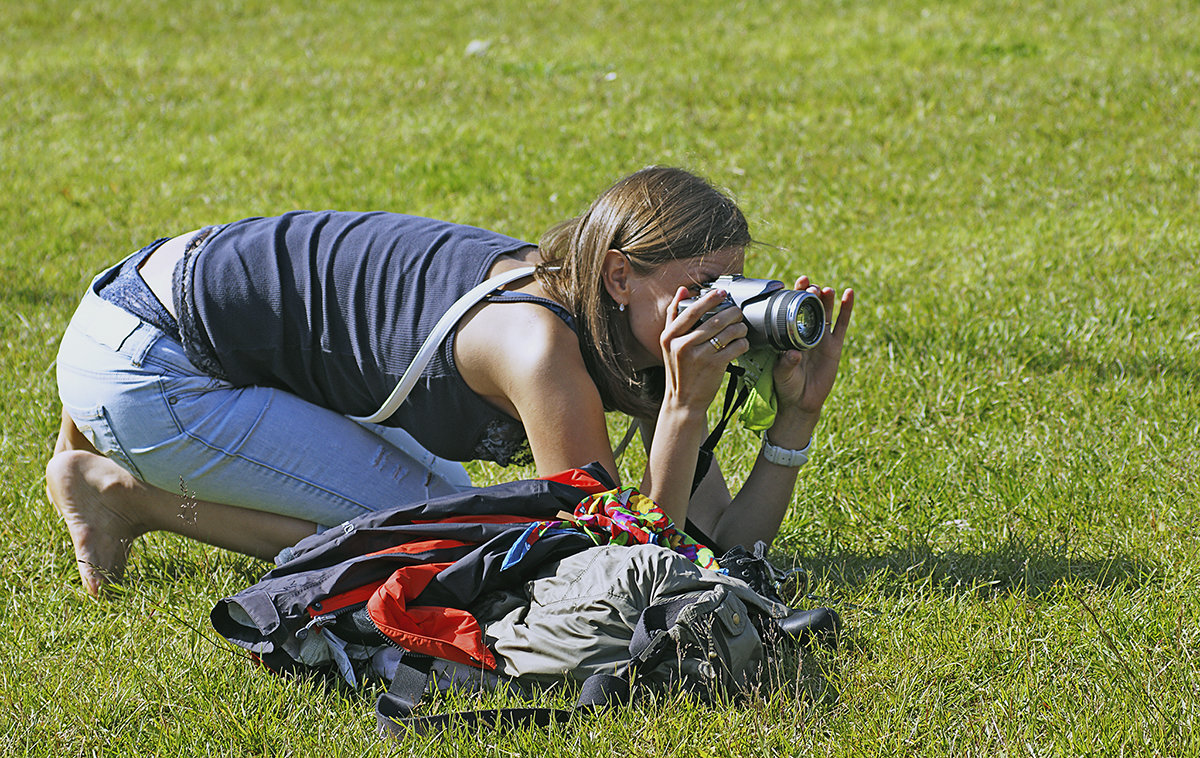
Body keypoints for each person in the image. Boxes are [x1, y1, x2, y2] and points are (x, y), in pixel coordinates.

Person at [46, 166, 854, 595]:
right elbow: (618, 564)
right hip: (155, 358)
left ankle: (112, 450)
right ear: (615, 277)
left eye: (735, 284)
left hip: (159, 311)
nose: (723, 309)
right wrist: (680, 410)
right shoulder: (539, 347)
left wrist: (795, 419)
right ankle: (127, 497)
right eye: (700, 284)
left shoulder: (628, 331)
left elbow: (715, 541)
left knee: (459, 506)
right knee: (444, 541)